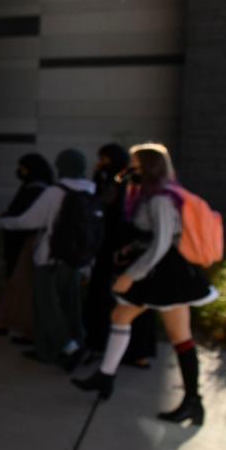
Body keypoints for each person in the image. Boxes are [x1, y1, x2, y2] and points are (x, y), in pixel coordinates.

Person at [73, 143, 218, 425]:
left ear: (148, 167)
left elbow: (162, 243)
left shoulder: (161, 199)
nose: (130, 169)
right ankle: (107, 377)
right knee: (128, 319)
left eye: (135, 164)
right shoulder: (153, 195)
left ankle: (190, 401)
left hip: (165, 275)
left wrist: (132, 275)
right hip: (162, 273)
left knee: (176, 335)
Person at [0, 149, 96, 369]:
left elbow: (28, 221)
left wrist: (2, 222)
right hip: (76, 261)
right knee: (70, 307)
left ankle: (69, 349)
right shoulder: (90, 191)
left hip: (50, 259)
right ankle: (67, 347)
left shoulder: (56, 192)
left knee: (47, 308)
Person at [83, 143, 158, 367]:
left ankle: (123, 350)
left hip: (127, 252)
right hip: (123, 250)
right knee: (125, 303)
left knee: (126, 301)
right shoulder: (127, 182)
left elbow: (103, 204)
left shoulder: (136, 186)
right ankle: (125, 351)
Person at [0, 153, 54, 344]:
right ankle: (20, 327)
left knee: (20, 285)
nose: (20, 172)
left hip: (26, 244)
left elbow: (24, 219)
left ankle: (22, 328)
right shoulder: (42, 188)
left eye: (23, 167)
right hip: (26, 243)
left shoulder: (37, 190)